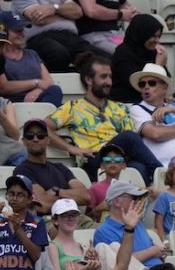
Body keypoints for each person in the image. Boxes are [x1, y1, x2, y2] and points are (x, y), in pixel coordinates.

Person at [47, 55, 162, 183]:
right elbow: (44, 128)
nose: (109, 82)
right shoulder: (73, 107)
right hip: (93, 160)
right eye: (103, 77)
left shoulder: (120, 108)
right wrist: (71, 148)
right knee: (129, 137)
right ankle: (162, 176)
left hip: (118, 160)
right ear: (89, 80)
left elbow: (132, 146)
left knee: (138, 168)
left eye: (110, 77)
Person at [10, 0, 90, 75]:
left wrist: (54, 8)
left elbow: (78, 12)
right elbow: (40, 19)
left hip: (69, 37)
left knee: (94, 57)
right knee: (58, 54)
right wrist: (66, 16)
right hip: (39, 38)